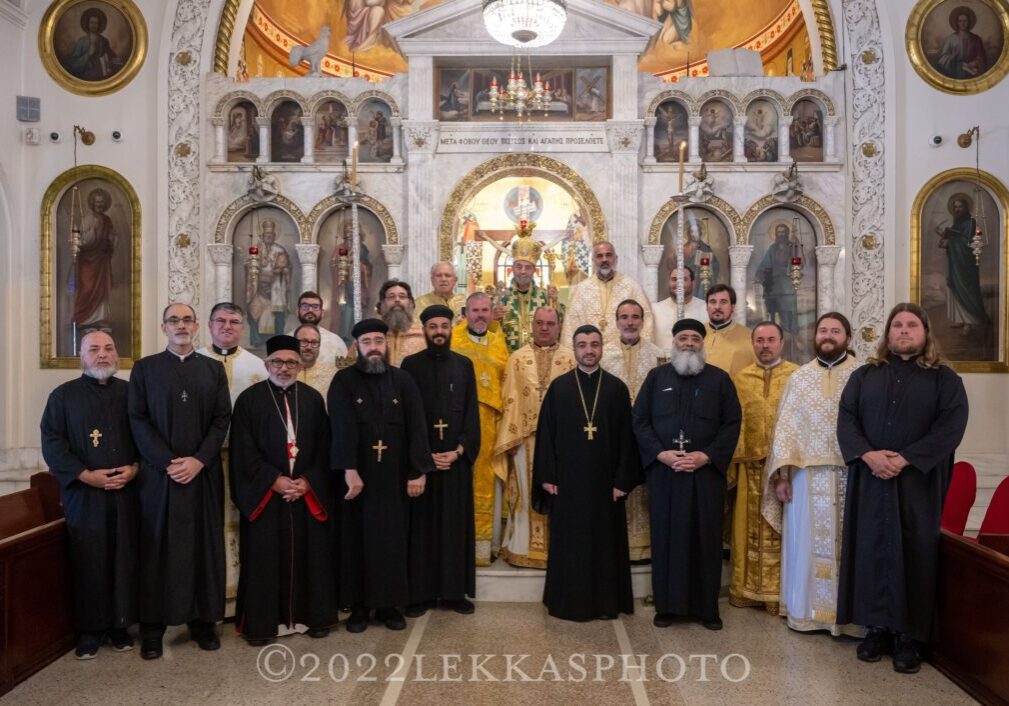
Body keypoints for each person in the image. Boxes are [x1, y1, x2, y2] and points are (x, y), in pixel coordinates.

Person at [836, 303, 968, 674]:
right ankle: (876, 628)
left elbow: (950, 428)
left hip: (918, 484)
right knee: (871, 549)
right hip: (870, 479)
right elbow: (846, 420)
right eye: (897, 325)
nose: (904, 331)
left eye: (912, 325)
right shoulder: (864, 376)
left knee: (915, 553)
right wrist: (868, 455)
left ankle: (910, 636)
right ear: (887, 334)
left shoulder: (945, 380)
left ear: (925, 332)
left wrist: (904, 459)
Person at [128, 303, 231, 659]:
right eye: (174, 320)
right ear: (163, 327)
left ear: (197, 326)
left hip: (203, 476)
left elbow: (222, 420)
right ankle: (154, 629)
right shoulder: (144, 369)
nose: (181, 325)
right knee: (157, 550)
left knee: (204, 548)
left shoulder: (213, 370)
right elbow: (137, 420)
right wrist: (170, 462)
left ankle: (204, 623)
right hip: (160, 478)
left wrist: (199, 460)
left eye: (187, 320)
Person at [633, 319, 741, 630]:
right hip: (666, 474)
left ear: (702, 344)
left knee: (705, 540)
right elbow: (640, 420)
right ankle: (667, 607)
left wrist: (706, 456)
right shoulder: (657, 378)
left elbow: (732, 423)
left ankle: (707, 609)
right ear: (674, 342)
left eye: (695, 338)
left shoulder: (719, 380)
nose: (689, 343)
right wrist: (661, 454)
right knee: (666, 539)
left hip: (705, 474)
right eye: (683, 338)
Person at [230, 335, 336, 645]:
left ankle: (313, 618)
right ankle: (263, 626)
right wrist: (274, 480)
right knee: (265, 560)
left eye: (291, 362)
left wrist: (308, 481)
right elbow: (243, 451)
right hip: (268, 495)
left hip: (305, 494)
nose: (284, 368)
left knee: (310, 558)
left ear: (301, 366)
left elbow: (324, 448)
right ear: (266, 364)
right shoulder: (249, 400)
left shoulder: (314, 399)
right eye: (278, 361)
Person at [329, 318, 432, 632]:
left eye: (378, 341)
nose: (374, 347)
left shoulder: (403, 381)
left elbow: (417, 427)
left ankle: (389, 606)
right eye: (367, 342)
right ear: (357, 347)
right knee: (357, 541)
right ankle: (359, 607)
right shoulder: (343, 381)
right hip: (357, 480)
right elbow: (341, 430)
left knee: (392, 542)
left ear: (386, 344)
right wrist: (349, 470)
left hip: (395, 480)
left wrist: (418, 472)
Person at [41, 331, 139, 659]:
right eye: (94, 349)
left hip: (127, 492)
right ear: (81, 356)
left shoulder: (132, 393)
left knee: (125, 558)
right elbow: (53, 443)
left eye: (109, 348)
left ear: (117, 354)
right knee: (89, 560)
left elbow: (147, 436)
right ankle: (90, 630)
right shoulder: (63, 396)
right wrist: (86, 476)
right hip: (84, 495)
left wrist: (135, 469)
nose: (102, 355)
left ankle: (120, 624)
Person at [763, 312, 861, 636]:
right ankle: (807, 613)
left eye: (835, 330)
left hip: (853, 474)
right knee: (807, 547)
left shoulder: (863, 375)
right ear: (814, 337)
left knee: (852, 547)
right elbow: (785, 429)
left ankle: (851, 618)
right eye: (823, 330)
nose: (828, 336)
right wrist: (782, 476)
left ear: (847, 337)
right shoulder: (799, 378)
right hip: (806, 477)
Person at [535, 325, 639, 621]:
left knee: (604, 541)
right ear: (574, 348)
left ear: (602, 347)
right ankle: (567, 602)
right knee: (571, 542)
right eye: (582, 345)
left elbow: (627, 439)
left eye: (594, 344)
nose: (589, 350)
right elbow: (546, 435)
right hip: (567, 482)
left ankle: (605, 603)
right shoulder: (560, 387)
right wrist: (547, 475)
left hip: (606, 484)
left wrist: (623, 480)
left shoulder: (616, 389)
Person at [401, 305, 481, 616]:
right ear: (424, 330)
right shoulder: (410, 365)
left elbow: (472, 414)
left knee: (454, 528)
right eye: (432, 326)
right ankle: (419, 594)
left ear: (451, 328)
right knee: (421, 530)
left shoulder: (464, 365)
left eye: (443, 326)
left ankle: (453, 593)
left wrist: (460, 450)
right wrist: (424, 459)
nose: (438, 331)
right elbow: (408, 417)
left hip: (455, 463)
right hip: (423, 465)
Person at [196, 302, 267, 610]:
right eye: (220, 321)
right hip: (202, 461)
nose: (227, 326)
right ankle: (206, 595)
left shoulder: (257, 367)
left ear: (242, 327)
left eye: (234, 321)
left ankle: (240, 594)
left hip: (243, 461)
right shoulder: (193, 361)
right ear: (209, 325)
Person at [493, 307, 575, 567]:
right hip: (525, 440)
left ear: (559, 327)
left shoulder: (570, 358)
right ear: (532, 325)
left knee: (561, 492)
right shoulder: (517, 358)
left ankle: (560, 547)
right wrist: (512, 438)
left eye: (550, 324)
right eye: (539, 323)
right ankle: (521, 548)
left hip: (561, 442)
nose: (544, 328)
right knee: (525, 494)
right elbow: (509, 399)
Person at [728, 322, 798, 613]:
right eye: (759, 340)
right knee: (746, 529)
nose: (765, 345)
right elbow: (735, 423)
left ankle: (777, 594)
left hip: (786, 468)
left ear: (781, 342)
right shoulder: (740, 379)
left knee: (784, 530)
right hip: (750, 467)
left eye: (771, 340)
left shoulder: (796, 376)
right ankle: (745, 590)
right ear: (753, 344)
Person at [601, 299, 662, 562]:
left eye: (635, 317)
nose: (629, 322)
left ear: (642, 321)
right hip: (614, 436)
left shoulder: (658, 355)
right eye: (624, 317)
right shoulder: (603, 354)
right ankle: (618, 544)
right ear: (616, 322)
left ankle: (646, 548)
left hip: (648, 436)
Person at [450, 292, 509, 566]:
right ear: (465, 312)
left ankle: (488, 546)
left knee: (490, 482)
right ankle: (458, 546)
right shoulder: (453, 340)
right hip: (459, 424)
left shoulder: (499, 342)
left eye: (485, 310)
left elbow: (507, 380)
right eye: (475, 310)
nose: (480, 315)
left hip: (492, 424)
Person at [562, 241, 653, 349]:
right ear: (593, 261)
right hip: (590, 354)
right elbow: (570, 325)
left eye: (608, 255)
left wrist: (640, 350)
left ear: (616, 259)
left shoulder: (631, 287)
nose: (604, 259)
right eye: (599, 256)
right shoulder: (581, 290)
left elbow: (646, 320)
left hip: (623, 353)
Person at [494, 228, 558, 352]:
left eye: (528, 267)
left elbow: (557, 329)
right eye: (519, 266)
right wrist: (492, 320)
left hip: (539, 360)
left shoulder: (545, 297)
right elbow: (491, 335)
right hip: (508, 361)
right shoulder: (500, 299)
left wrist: (555, 303)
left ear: (534, 270)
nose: (523, 271)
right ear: (513, 268)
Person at [936, 195, 989, 335]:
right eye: (955, 207)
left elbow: (967, 243)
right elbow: (954, 238)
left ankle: (969, 323)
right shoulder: (956, 223)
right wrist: (945, 239)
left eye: (960, 207)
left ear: (966, 208)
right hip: (955, 262)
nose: (957, 209)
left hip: (966, 264)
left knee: (966, 290)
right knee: (955, 288)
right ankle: (960, 319)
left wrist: (950, 242)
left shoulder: (971, 222)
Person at [348, 280, 426, 366]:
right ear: (382, 304)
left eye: (402, 296)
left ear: (410, 304)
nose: (397, 300)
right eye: (391, 297)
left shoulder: (423, 337)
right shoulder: (367, 337)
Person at [73, 188, 116, 329]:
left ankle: (100, 318)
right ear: (92, 203)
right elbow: (83, 241)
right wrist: (93, 231)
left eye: (102, 202)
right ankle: (84, 318)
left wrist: (112, 240)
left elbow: (112, 237)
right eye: (97, 202)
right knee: (87, 288)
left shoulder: (107, 220)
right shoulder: (87, 219)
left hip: (101, 259)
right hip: (87, 260)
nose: (100, 205)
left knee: (101, 289)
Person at [246, 219, 292, 345]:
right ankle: (256, 340)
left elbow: (286, 266)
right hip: (258, 286)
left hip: (276, 286)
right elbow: (248, 265)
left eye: (271, 236)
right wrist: (251, 267)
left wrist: (279, 271)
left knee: (278, 313)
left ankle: (278, 339)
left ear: (275, 236)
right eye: (266, 235)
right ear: (262, 236)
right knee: (254, 310)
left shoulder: (280, 250)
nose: (269, 237)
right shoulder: (256, 249)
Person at [757, 223, 800, 335]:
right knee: (773, 315)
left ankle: (790, 338)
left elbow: (799, 264)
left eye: (783, 232)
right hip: (774, 287)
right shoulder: (772, 248)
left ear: (787, 234)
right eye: (779, 232)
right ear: (776, 234)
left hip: (788, 288)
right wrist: (761, 274)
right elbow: (765, 265)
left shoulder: (793, 246)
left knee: (787, 315)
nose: (781, 234)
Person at [652, 266, 708, 352]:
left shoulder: (706, 309)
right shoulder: (655, 310)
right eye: (674, 279)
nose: (678, 283)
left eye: (683, 279)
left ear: (693, 284)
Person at [704, 284, 754, 376]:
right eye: (712, 302)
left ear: (732, 307)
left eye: (723, 302)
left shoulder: (749, 337)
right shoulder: (696, 334)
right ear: (707, 307)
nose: (717, 307)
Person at [290, 291, 348, 362]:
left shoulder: (336, 342)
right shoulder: (286, 340)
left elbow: (344, 370)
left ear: (322, 313)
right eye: (305, 306)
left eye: (315, 307)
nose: (310, 310)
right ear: (297, 312)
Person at [934, 8, 989, 80]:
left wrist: (974, 63)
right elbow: (942, 59)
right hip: (955, 71)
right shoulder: (950, 39)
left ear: (969, 22)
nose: (962, 24)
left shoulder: (976, 39)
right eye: (960, 21)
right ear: (957, 23)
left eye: (965, 21)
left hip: (971, 72)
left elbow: (981, 57)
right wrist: (952, 57)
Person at [66, 8, 117, 81]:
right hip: (85, 76)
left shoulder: (104, 41)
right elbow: (73, 64)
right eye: (91, 22)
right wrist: (88, 54)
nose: (94, 25)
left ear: (99, 25)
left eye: (96, 23)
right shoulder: (82, 41)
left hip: (102, 76)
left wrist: (110, 63)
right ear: (88, 24)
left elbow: (113, 58)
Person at [294, 323, 337, 400]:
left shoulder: (331, 376)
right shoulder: (285, 373)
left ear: (319, 346)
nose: (309, 347)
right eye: (304, 341)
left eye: (314, 342)